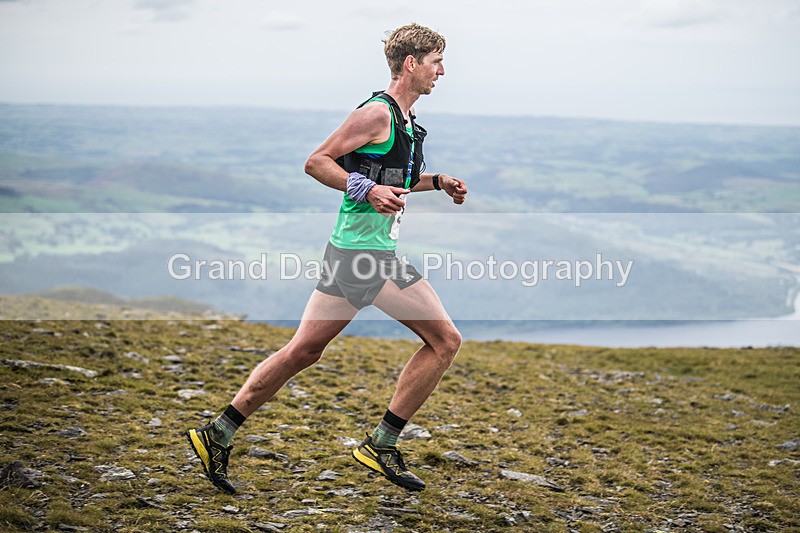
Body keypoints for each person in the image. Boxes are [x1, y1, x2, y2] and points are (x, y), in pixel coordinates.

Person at [185, 23, 467, 494]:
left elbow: (395, 178)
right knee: (445, 341)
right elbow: (317, 161)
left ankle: (218, 432)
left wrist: (437, 182)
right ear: (411, 64)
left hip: (354, 253)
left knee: (303, 351)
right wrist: (367, 188)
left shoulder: (407, 124)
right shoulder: (376, 113)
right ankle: (381, 444)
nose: (444, 70)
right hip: (366, 256)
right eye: (437, 61)